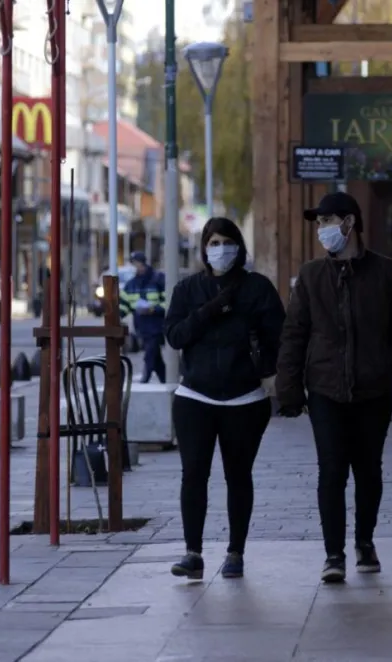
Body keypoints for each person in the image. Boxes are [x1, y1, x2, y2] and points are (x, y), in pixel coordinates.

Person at [275, 192, 392, 583]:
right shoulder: (311, 276)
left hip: (373, 392)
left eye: (327, 221)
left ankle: (365, 542)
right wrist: (289, 389)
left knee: (368, 470)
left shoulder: (386, 273)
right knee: (331, 471)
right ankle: (333, 554)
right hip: (325, 389)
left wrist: (387, 363)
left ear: (349, 223)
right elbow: (294, 334)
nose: (322, 230)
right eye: (319, 223)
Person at [163, 217, 285, 580]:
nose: (220, 250)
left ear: (239, 247)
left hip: (244, 399)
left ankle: (235, 552)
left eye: (227, 242)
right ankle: (193, 552)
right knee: (193, 475)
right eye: (213, 243)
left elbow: (279, 337)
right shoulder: (188, 289)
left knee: (238, 476)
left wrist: (264, 370)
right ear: (204, 249)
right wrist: (210, 310)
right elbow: (175, 335)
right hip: (194, 397)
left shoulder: (257, 288)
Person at [123, 251, 167, 383]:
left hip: (157, 325)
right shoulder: (131, 284)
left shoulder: (158, 279)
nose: (134, 267)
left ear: (142, 263)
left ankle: (145, 377)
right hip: (141, 326)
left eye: (135, 263)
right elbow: (124, 305)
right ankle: (165, 378)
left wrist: (154, 309)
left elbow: (169, 301)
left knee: (150, 352)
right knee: (155, 355)